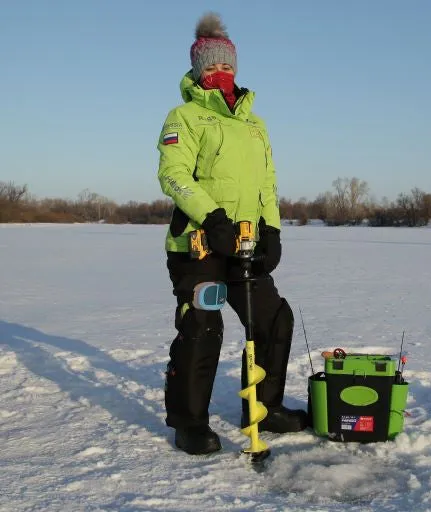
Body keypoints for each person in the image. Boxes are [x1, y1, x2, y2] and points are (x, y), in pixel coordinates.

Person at [157, 13, 307, 455]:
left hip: (245, 243)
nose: (219, 74)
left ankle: (265, 408)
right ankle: (189, 424)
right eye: (210, 66)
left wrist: (273, 230)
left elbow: (267, 185)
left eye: (226, 66)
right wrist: (213, 219)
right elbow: (173, 175)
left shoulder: (254, 124)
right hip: (199, 245)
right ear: (198, 70)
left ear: (235, 68)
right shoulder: (183, 117)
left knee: (274, 319)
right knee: (203, 325)